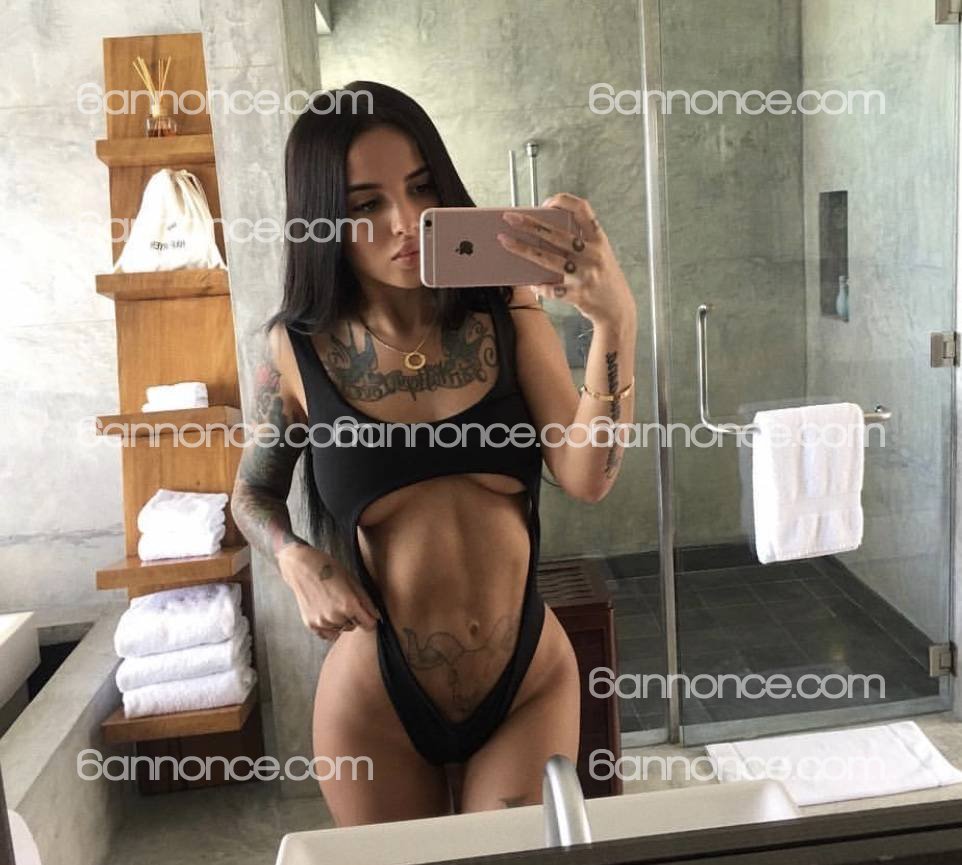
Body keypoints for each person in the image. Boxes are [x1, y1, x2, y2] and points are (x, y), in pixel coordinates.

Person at [231, 81, 637, 826]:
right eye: (366, 205)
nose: (406, 222)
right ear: (323, 220)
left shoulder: (504, 308)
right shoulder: (297, 350)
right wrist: (295, 559)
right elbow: (250, 495)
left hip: (526, 683)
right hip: (376, 702)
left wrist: (616, 323)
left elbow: (587, 475)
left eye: (421, 188)